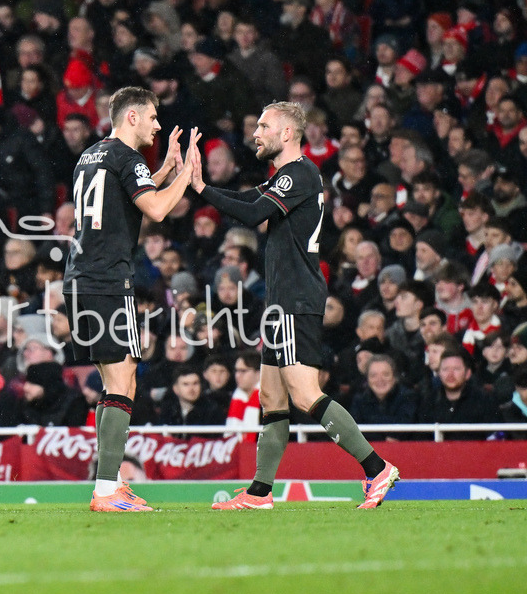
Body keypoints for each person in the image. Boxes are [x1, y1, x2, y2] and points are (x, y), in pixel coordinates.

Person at [191, 101, 400, 510]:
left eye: (264, 125)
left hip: (294, 299)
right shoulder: (286, 178)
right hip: (282, 300)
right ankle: (259, 493)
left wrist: (200, 189)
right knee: (271, 398)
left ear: (287, 133)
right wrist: (202, 187)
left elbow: (251, 214)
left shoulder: (300, 174)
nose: (256, 132)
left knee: (305, 394)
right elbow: (248, 199)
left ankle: (376, 468)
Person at [63, 86, 200, 512]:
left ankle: (111, 482)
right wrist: (185, 172)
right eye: (154, 117)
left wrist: (162, 169)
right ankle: (106, 489)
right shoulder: (127, 157)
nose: (159, 125)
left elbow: (130, 197)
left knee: (113, 382)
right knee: (124, 383)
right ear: (132, 118)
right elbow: (156, 210)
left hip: (80, 277)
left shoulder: (92, 154)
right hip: (107, 280)